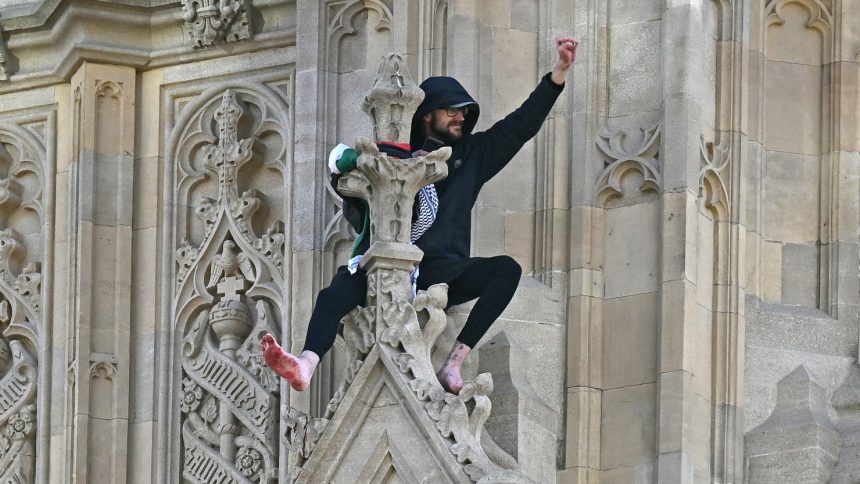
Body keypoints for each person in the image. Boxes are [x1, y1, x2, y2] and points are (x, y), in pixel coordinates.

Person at [262, 37, 579, 395]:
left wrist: (558, 74)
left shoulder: (470, 156)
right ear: (428, 115)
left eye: (464, 112)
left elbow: (520, 126)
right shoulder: (393, 156)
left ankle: (454, 363)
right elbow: (347, 181)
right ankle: (305, 364)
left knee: (505, 271)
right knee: (336, 291)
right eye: (453, 111)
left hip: (440, 269)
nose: (461, 117)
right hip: (387, 262)